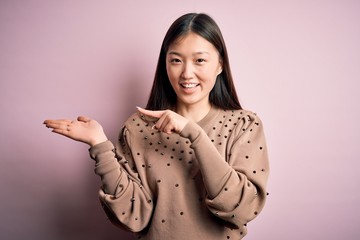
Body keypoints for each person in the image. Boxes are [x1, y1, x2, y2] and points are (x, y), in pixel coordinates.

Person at [44, 12, 269, 240]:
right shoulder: (136, 129)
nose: (186, 73)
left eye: (199, 60)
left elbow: (242, 209)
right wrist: (100, 145)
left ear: (220, 64)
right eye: (176, 60)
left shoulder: (243, 126)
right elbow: (134, 217)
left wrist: (194, 134)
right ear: (165, 64)